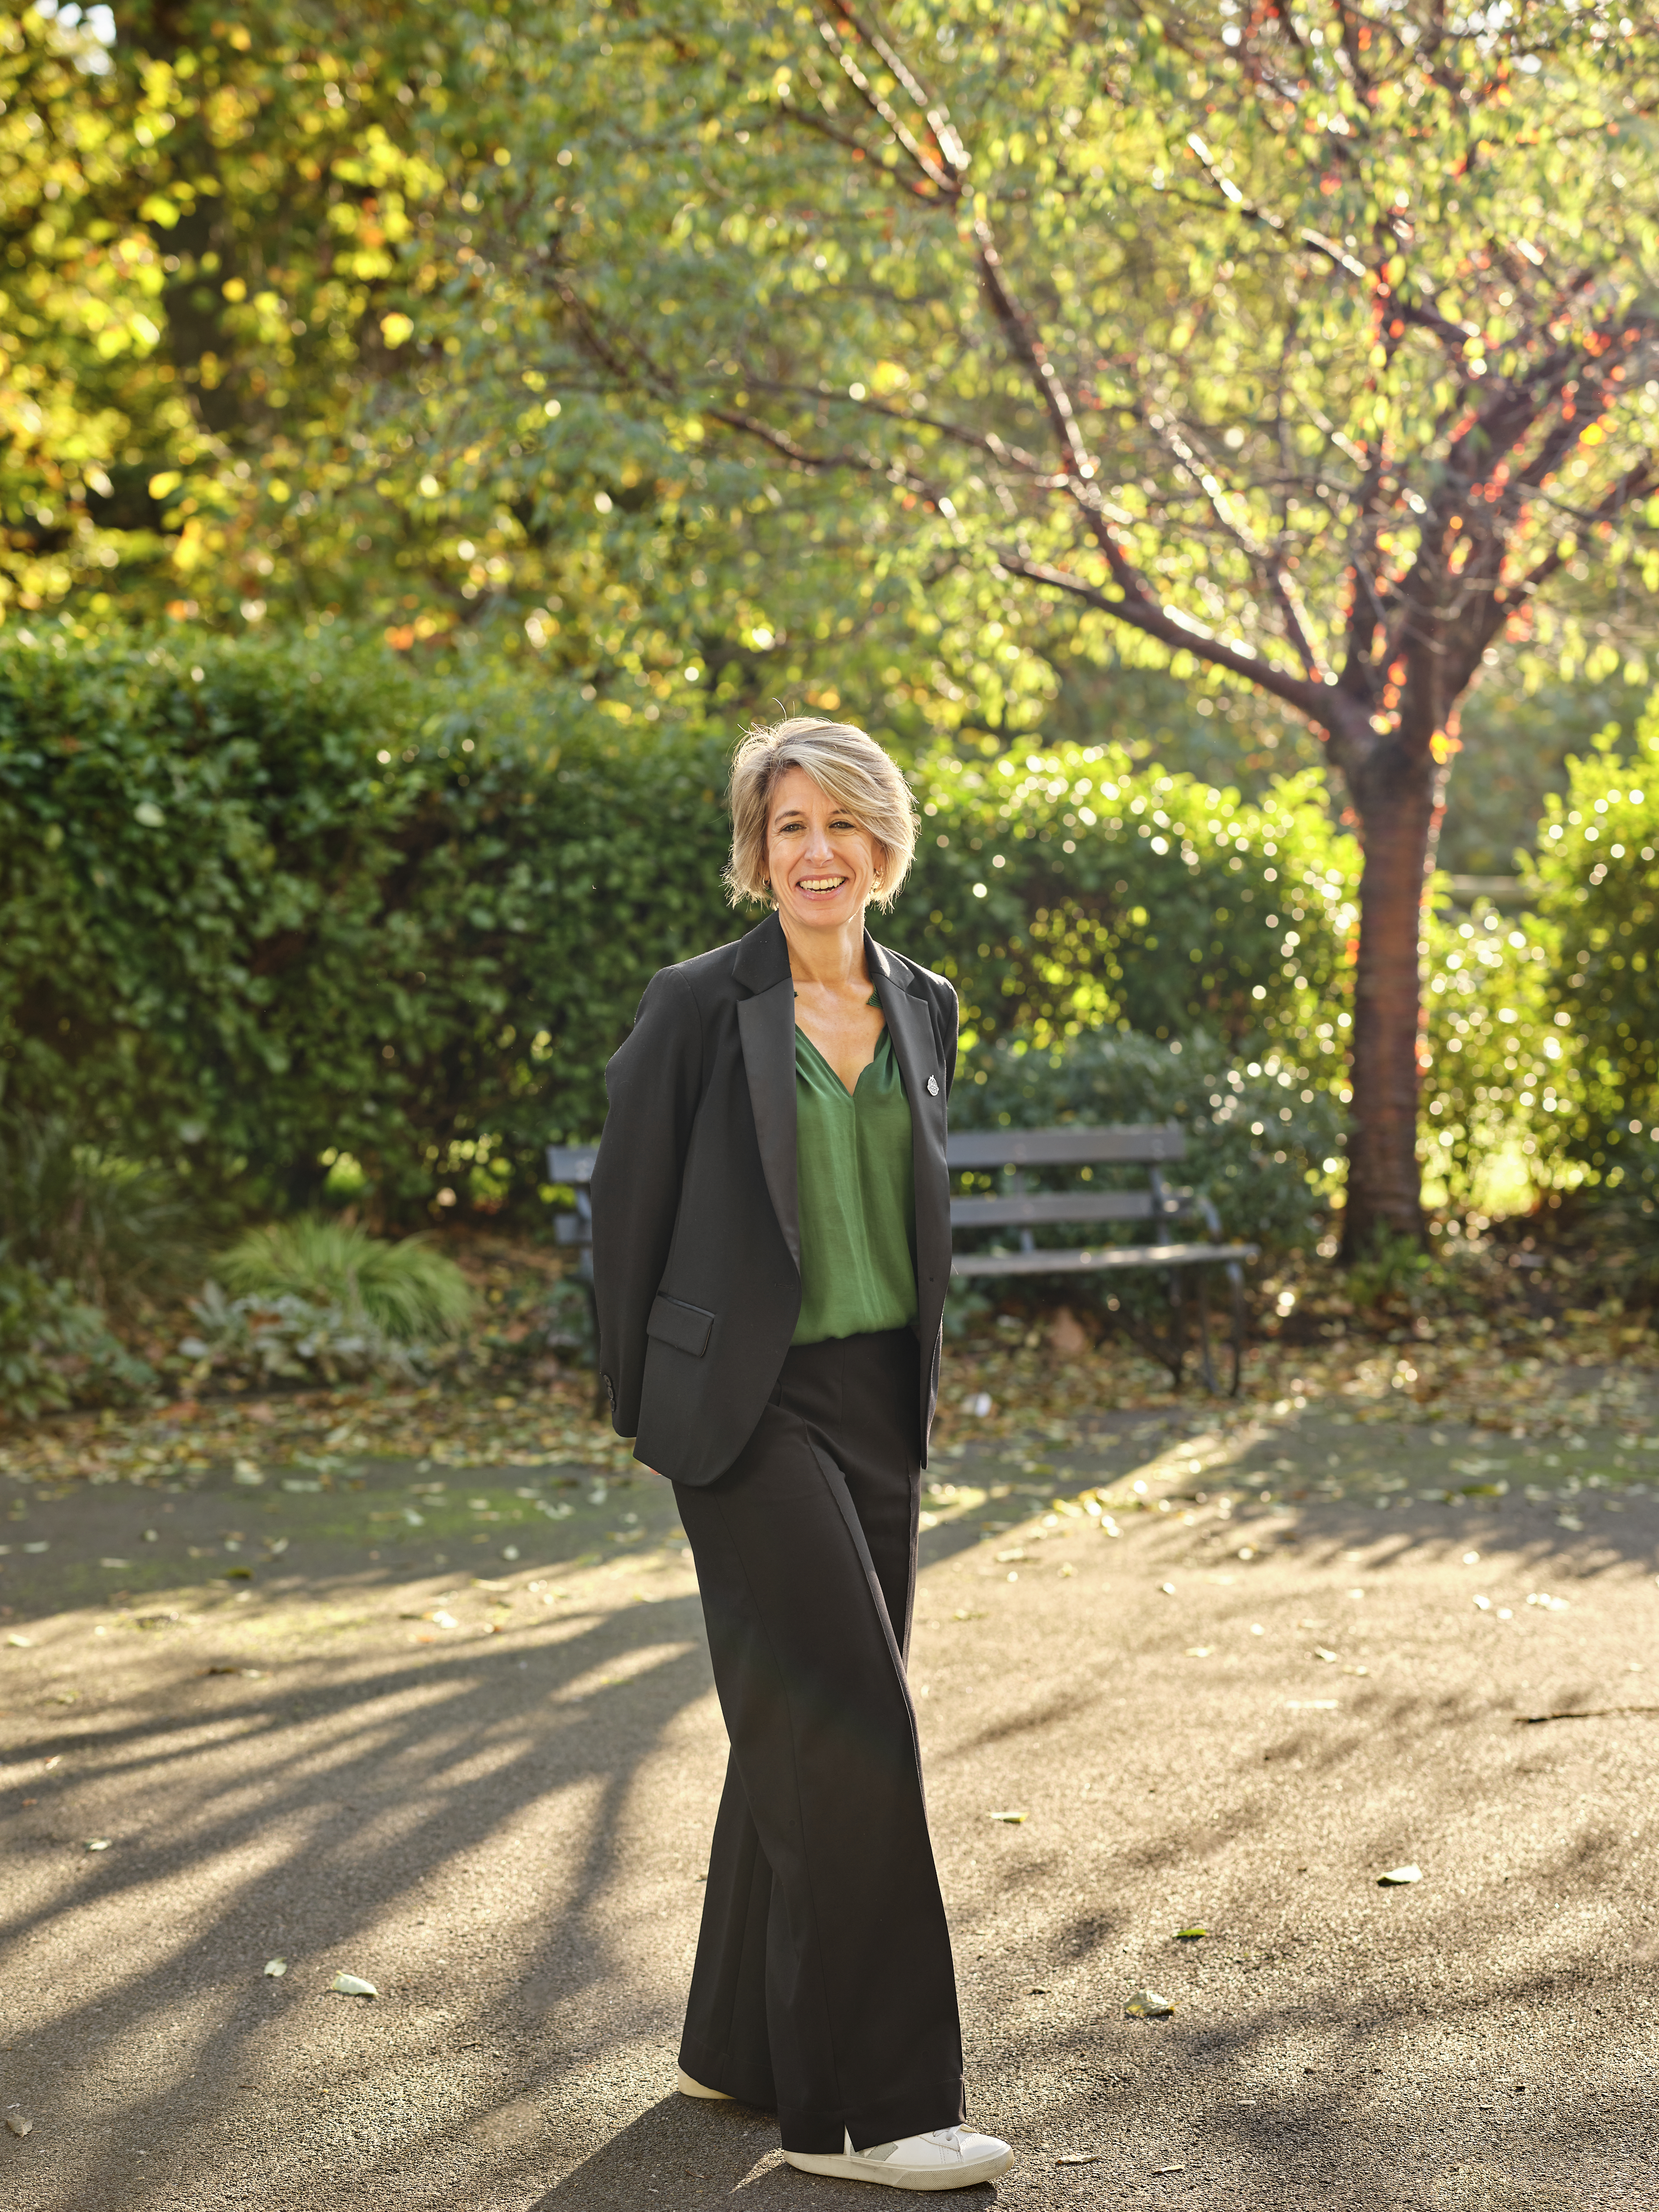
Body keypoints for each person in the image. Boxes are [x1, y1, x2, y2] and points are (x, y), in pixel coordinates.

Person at [589, 715, 1013, 2191]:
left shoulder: (924, 1002)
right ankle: (865, 2112)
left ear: (883, 844)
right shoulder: (700, 1005)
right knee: (855, 1731)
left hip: (874, 1406)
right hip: (745, 1418)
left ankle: (738, 2044)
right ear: (755, 851)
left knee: (798, 1715)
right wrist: (655, 1412)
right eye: (788, 826)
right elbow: (626, 1211)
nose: (815, 850)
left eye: (842, 823)